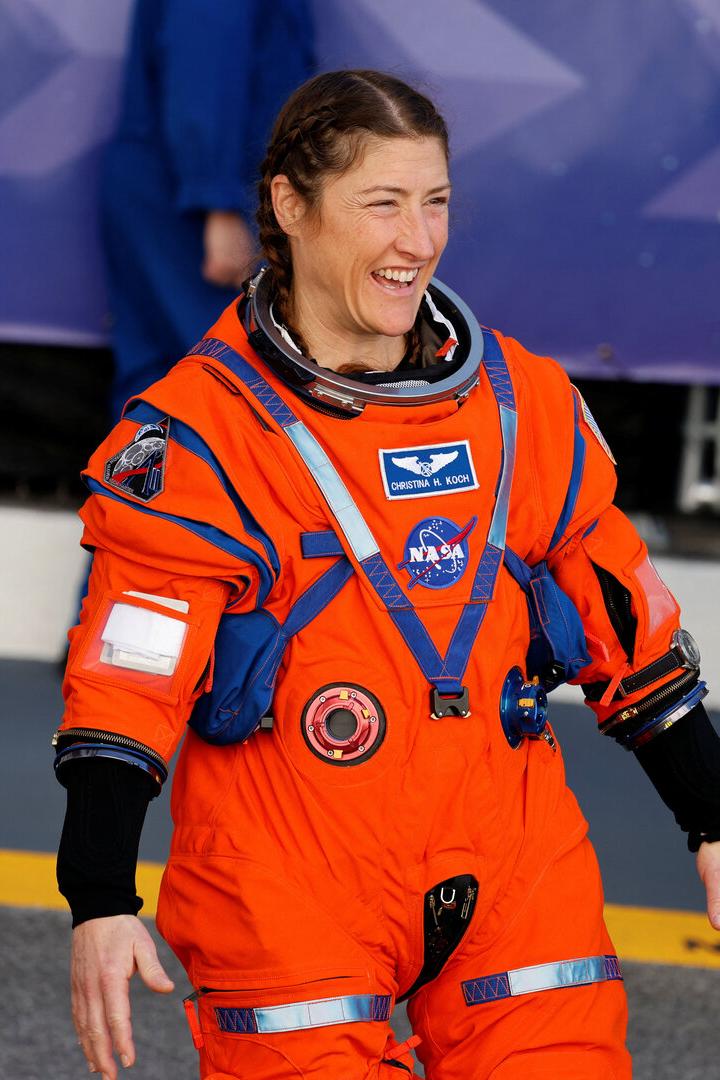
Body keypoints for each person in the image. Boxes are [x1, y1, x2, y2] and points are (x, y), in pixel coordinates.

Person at [55, 70, 720, 1080]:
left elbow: (626, 619)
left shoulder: (522, 407)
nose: (419, 240)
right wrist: (100, 896)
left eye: (437, 201)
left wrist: (713, 818)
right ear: (290, 205)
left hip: (512, 874)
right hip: (290, 887)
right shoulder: (201, 438)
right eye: (383, 203)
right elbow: (126, 684)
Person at [101, 0, 314, 420]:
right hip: (189, 201)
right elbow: (201, 73)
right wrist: (217, 207)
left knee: (164, 381)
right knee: (223, 376)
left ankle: (138, 485)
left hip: (181, 187)